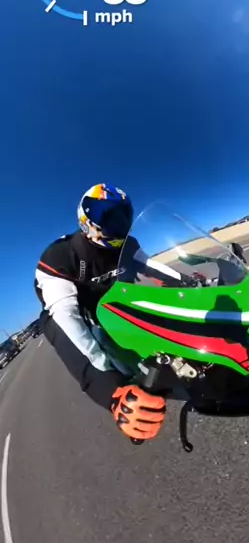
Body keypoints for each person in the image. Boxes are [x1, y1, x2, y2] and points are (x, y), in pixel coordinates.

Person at [34, 184, 166, 441]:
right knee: (54, 323)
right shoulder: (59, 257)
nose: (120, 224)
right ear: (88, 222)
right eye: (110, 218)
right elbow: (66, 321)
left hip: (116, 303)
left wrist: (189, 282)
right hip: (84, 315)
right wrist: (111, 391)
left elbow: (153, 269)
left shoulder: (129, 245)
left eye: (123, 216)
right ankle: (119, 388)